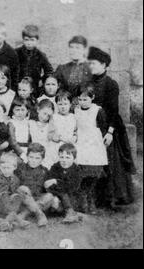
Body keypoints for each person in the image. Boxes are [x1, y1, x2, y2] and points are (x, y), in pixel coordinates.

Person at [86, 46, 136, 208]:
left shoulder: (111, 84)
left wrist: (110, 132)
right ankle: (95, 197)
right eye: (90, 63)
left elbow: (114, 109)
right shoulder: (87, 83)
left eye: (94, 63)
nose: (91, 66)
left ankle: (113, 197)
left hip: (109, 126)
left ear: (104, 66)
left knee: (111, 159)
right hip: (92, 125)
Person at [74, 84, 108, 214]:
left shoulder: (98, 110)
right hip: (81, 144)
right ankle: (83, 201)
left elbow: (103, 127)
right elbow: (75, 126)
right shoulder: (76, 110)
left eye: (85, 99)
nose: (82, 102)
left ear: (92, 97)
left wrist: (104, 141)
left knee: (94, 174)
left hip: (94, 144)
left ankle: (91, 201)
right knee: (83, 174)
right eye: (80, 99)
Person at [0, 152, 30, 231]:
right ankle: (17, 220)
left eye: (8, 168)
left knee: (18, 196)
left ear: (15, 167)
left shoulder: (15, 179)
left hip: (8, 205)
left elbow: (14, 192)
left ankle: (6, 222)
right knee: (4, 195)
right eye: (3, 168)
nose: (6, 170)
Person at [45, 143, 83, 224]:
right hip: (58, 198)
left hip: (72, 198)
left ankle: (70, 212)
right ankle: (71, 214)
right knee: (53, 201)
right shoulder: (55, 167)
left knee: (64, 192)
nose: (64, 160)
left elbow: (72, 187)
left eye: (68, 157)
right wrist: (56, 196)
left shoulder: (76, 170)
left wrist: (56, 182)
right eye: (61, 157)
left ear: (74, 158)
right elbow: (48, 184)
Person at [14, 143, 50, 227]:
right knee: (23, 188)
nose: (34, 160)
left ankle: (23, 215)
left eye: (37, 158)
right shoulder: (20, 168)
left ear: (42, 159)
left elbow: (46, 189)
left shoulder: (45, 171)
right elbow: (16, 187)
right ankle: (39, 215)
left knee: (50, 196)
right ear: (27, 156)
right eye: (31, 157)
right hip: (23, 200)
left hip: (38, 200)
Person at [15, 25, 53, 97]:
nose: (29, 43)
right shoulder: (16, 53)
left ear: (37, 41)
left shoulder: (41, 55)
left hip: (34, 89)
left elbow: (49, 71)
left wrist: (42, 81)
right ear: (23, 40)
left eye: (32, 40)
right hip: (18, 89)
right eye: (26, 40)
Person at [29, 99, 55, 169]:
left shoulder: (50, 127)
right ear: (38, 110)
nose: (45, 117)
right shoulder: (31, 123)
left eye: (48, 115)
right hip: (33, 154)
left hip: (46, 155)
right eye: (44, 113)